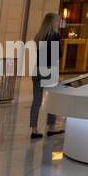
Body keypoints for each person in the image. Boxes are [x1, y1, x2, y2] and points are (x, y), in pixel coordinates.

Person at [29, 12, 64, 140]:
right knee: (52, 99)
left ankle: (34, 129)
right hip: (49, 69)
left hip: (37, 69)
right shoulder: (55, 35)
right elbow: (57, 54)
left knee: (36, 101)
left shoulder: (39, 35)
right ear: (54, 22)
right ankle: (51, 127)